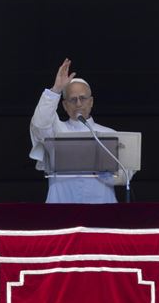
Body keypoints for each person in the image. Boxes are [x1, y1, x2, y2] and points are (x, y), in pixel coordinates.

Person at [29, 58, 127, 203]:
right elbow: (39, 125)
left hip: (101, 203)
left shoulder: (109, 134)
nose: (79, 103)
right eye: (73, 99)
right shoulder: (56, 130)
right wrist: (56, 90)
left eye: (83, 98)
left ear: (91, 101)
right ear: (64, 105)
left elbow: (127, 172)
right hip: (62, 202)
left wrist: (110, 176)